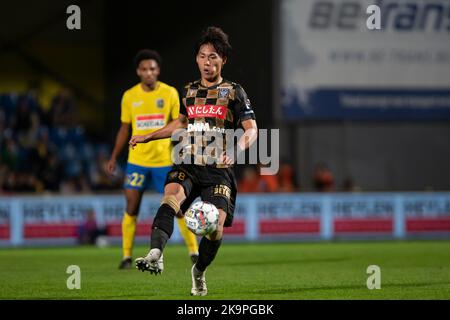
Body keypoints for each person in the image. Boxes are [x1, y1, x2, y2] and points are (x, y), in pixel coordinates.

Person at [129, 27, 258, 296]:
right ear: (196, 59)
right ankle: (156, 253)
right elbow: (181, 123)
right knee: (170, 198)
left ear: (223, 60)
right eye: (202, 56)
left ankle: (198, 271)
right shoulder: (189, 91)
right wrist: (149, 136)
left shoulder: (234, 92)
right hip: (187, 163)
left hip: (218, 170)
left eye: (213, 57)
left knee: (215, 229)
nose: (207, 62)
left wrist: (235, 150)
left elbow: (251, 130)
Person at [107, 49, 199, 270]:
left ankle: (193, 251)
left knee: (176, 206)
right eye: (145, 69)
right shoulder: (130, 96)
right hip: (137, 160)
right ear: (139, 71)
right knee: (131, 206)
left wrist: (184, 151)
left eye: (153, 69)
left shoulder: (169, 93)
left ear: (158, 71)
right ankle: (126, 256)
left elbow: (180, 124)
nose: (149, 72)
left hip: (163, 161)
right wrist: (113, 156)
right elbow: (125, 128)